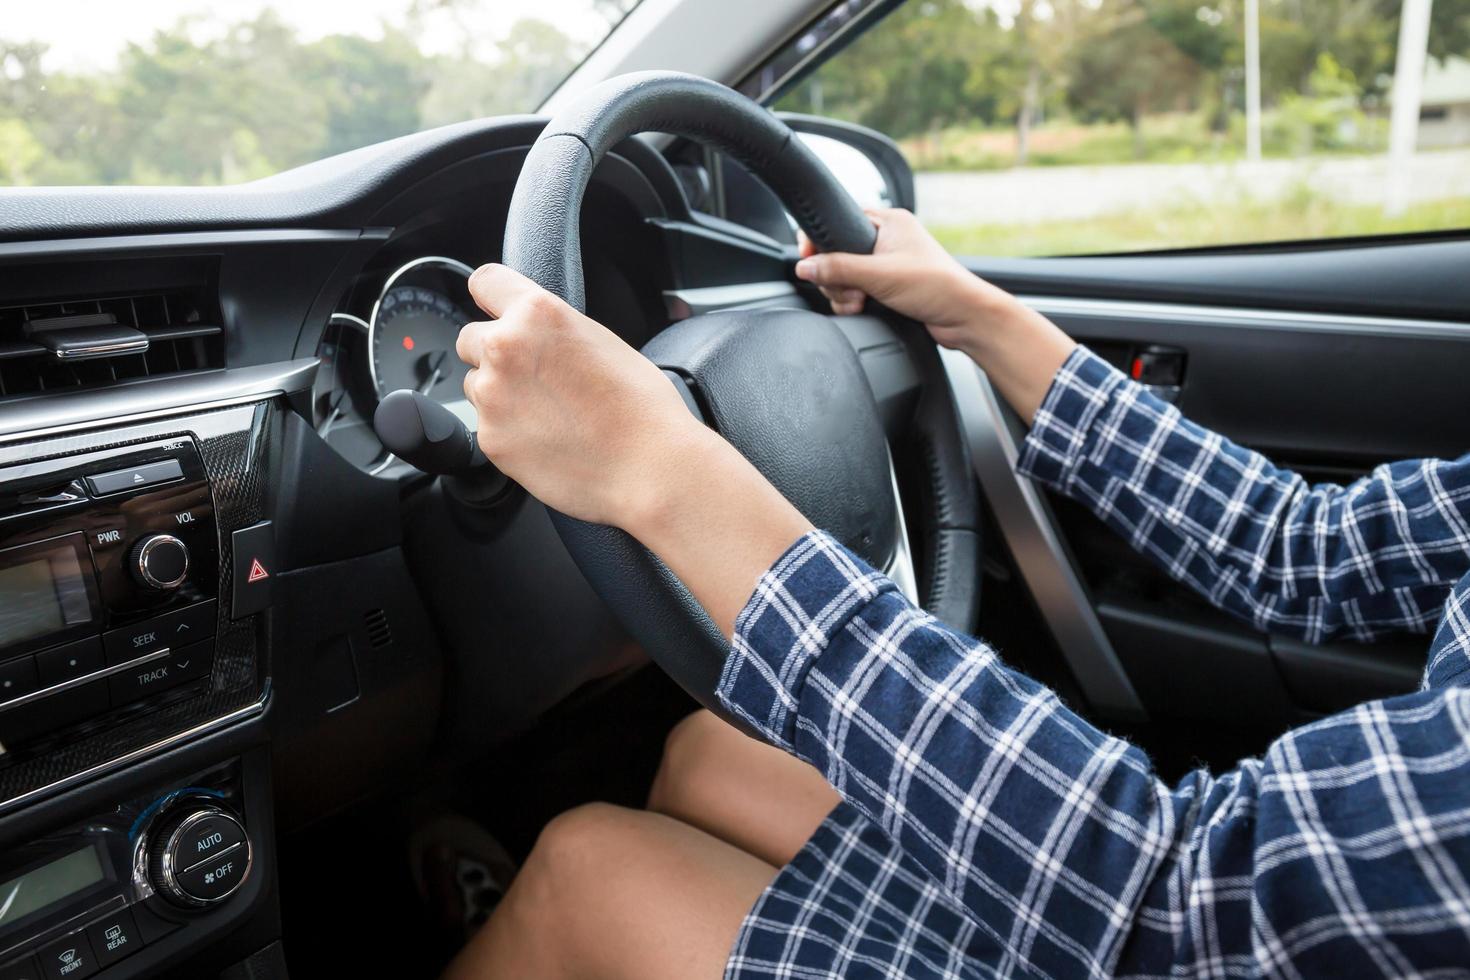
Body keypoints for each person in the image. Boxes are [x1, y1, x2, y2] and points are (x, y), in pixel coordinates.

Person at [442, 209, 1470, 978]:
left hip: (1192, 932)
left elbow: (1180, 907)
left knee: (585, 870)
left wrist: (662, 470)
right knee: (711, 749)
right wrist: (973, 312)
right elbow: (1312, 550)